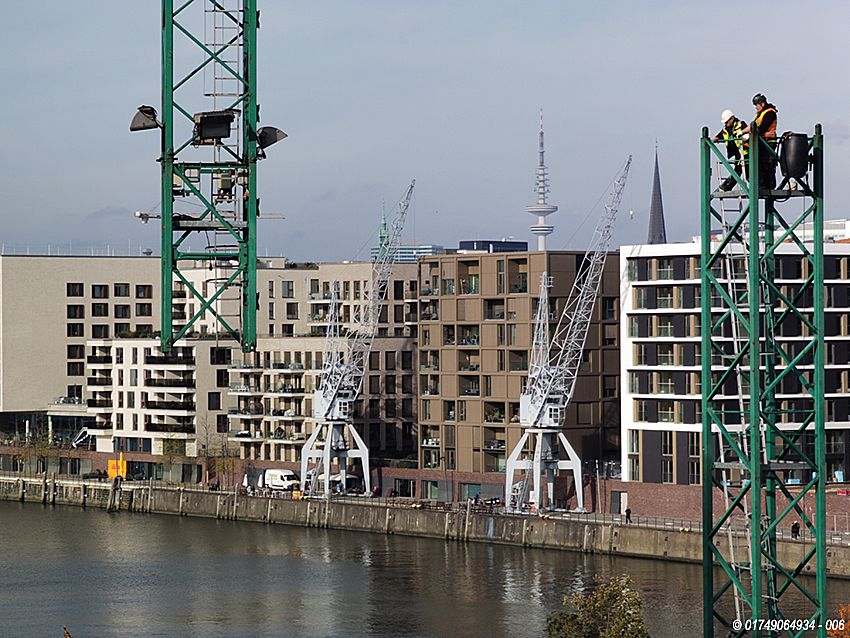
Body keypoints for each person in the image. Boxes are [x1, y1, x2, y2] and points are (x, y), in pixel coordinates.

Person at [741, 93, 778, 190]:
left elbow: (761, 128)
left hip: (769, 143)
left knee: (767, 165)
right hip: (762, 143)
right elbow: (752, 125)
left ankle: (768, 187)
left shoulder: (770, 113)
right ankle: (761, 185)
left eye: (757, 105)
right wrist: (741, 132)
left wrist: (749, 134)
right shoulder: (760, 114)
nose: (756, 108)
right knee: (760, 165)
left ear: (762, 104)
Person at [713, 109, 748, 191]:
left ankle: (730, 186)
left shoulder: (741, 125)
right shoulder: (726, 128)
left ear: (732, 118)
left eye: (727, 121)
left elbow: (748, 134)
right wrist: (717, 138)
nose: (726, 123)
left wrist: (747, 143)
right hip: (736, 152)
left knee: (739, 169)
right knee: (739, 169)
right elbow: (722, 134)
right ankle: (730, 186)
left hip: (745, 152)